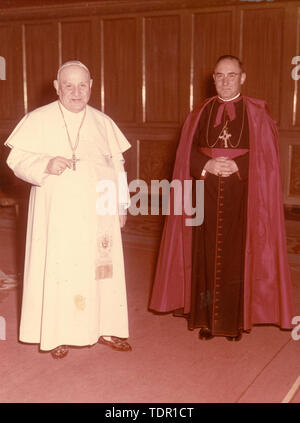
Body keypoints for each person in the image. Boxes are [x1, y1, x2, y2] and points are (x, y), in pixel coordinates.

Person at [149, 55, 295, 341]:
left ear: (242, 77)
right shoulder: (200, 112)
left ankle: (234, 323)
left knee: (238, 256)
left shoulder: (258, 114)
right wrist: (207, 165)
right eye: (219, 75)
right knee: (204, 255)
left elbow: (268, 158)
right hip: (205, 191)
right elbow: (184, 154)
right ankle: (207, 321)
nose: (225, 81)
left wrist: (239, 166)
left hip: (244, 195)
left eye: (231, 75)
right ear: (212, 79)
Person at [5, 60, 132, 358]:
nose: (76, 92)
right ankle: (57, 333)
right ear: (56, 87)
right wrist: (45, 164)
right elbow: (16, 160)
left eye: (82, 85)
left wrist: (121, 203)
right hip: (57, 213)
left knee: (103, 268)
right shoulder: (38, 119)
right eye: (68, 85)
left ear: (91, 85)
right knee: (61, 269)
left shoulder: (103, 122)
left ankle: (106, 327)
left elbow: (118, 165)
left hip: (99, 211)